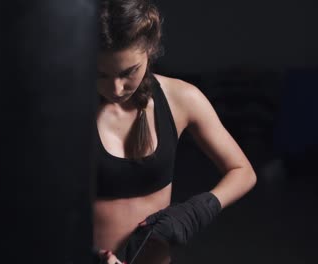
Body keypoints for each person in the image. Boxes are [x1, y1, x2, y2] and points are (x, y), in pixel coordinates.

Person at [93, 1, 257, 263]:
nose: (116, 87)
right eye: (101, 74)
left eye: (128, 72)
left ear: (150, 49)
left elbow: (242, 171)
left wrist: (193, 212)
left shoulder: (182, 99)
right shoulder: (67, 109)